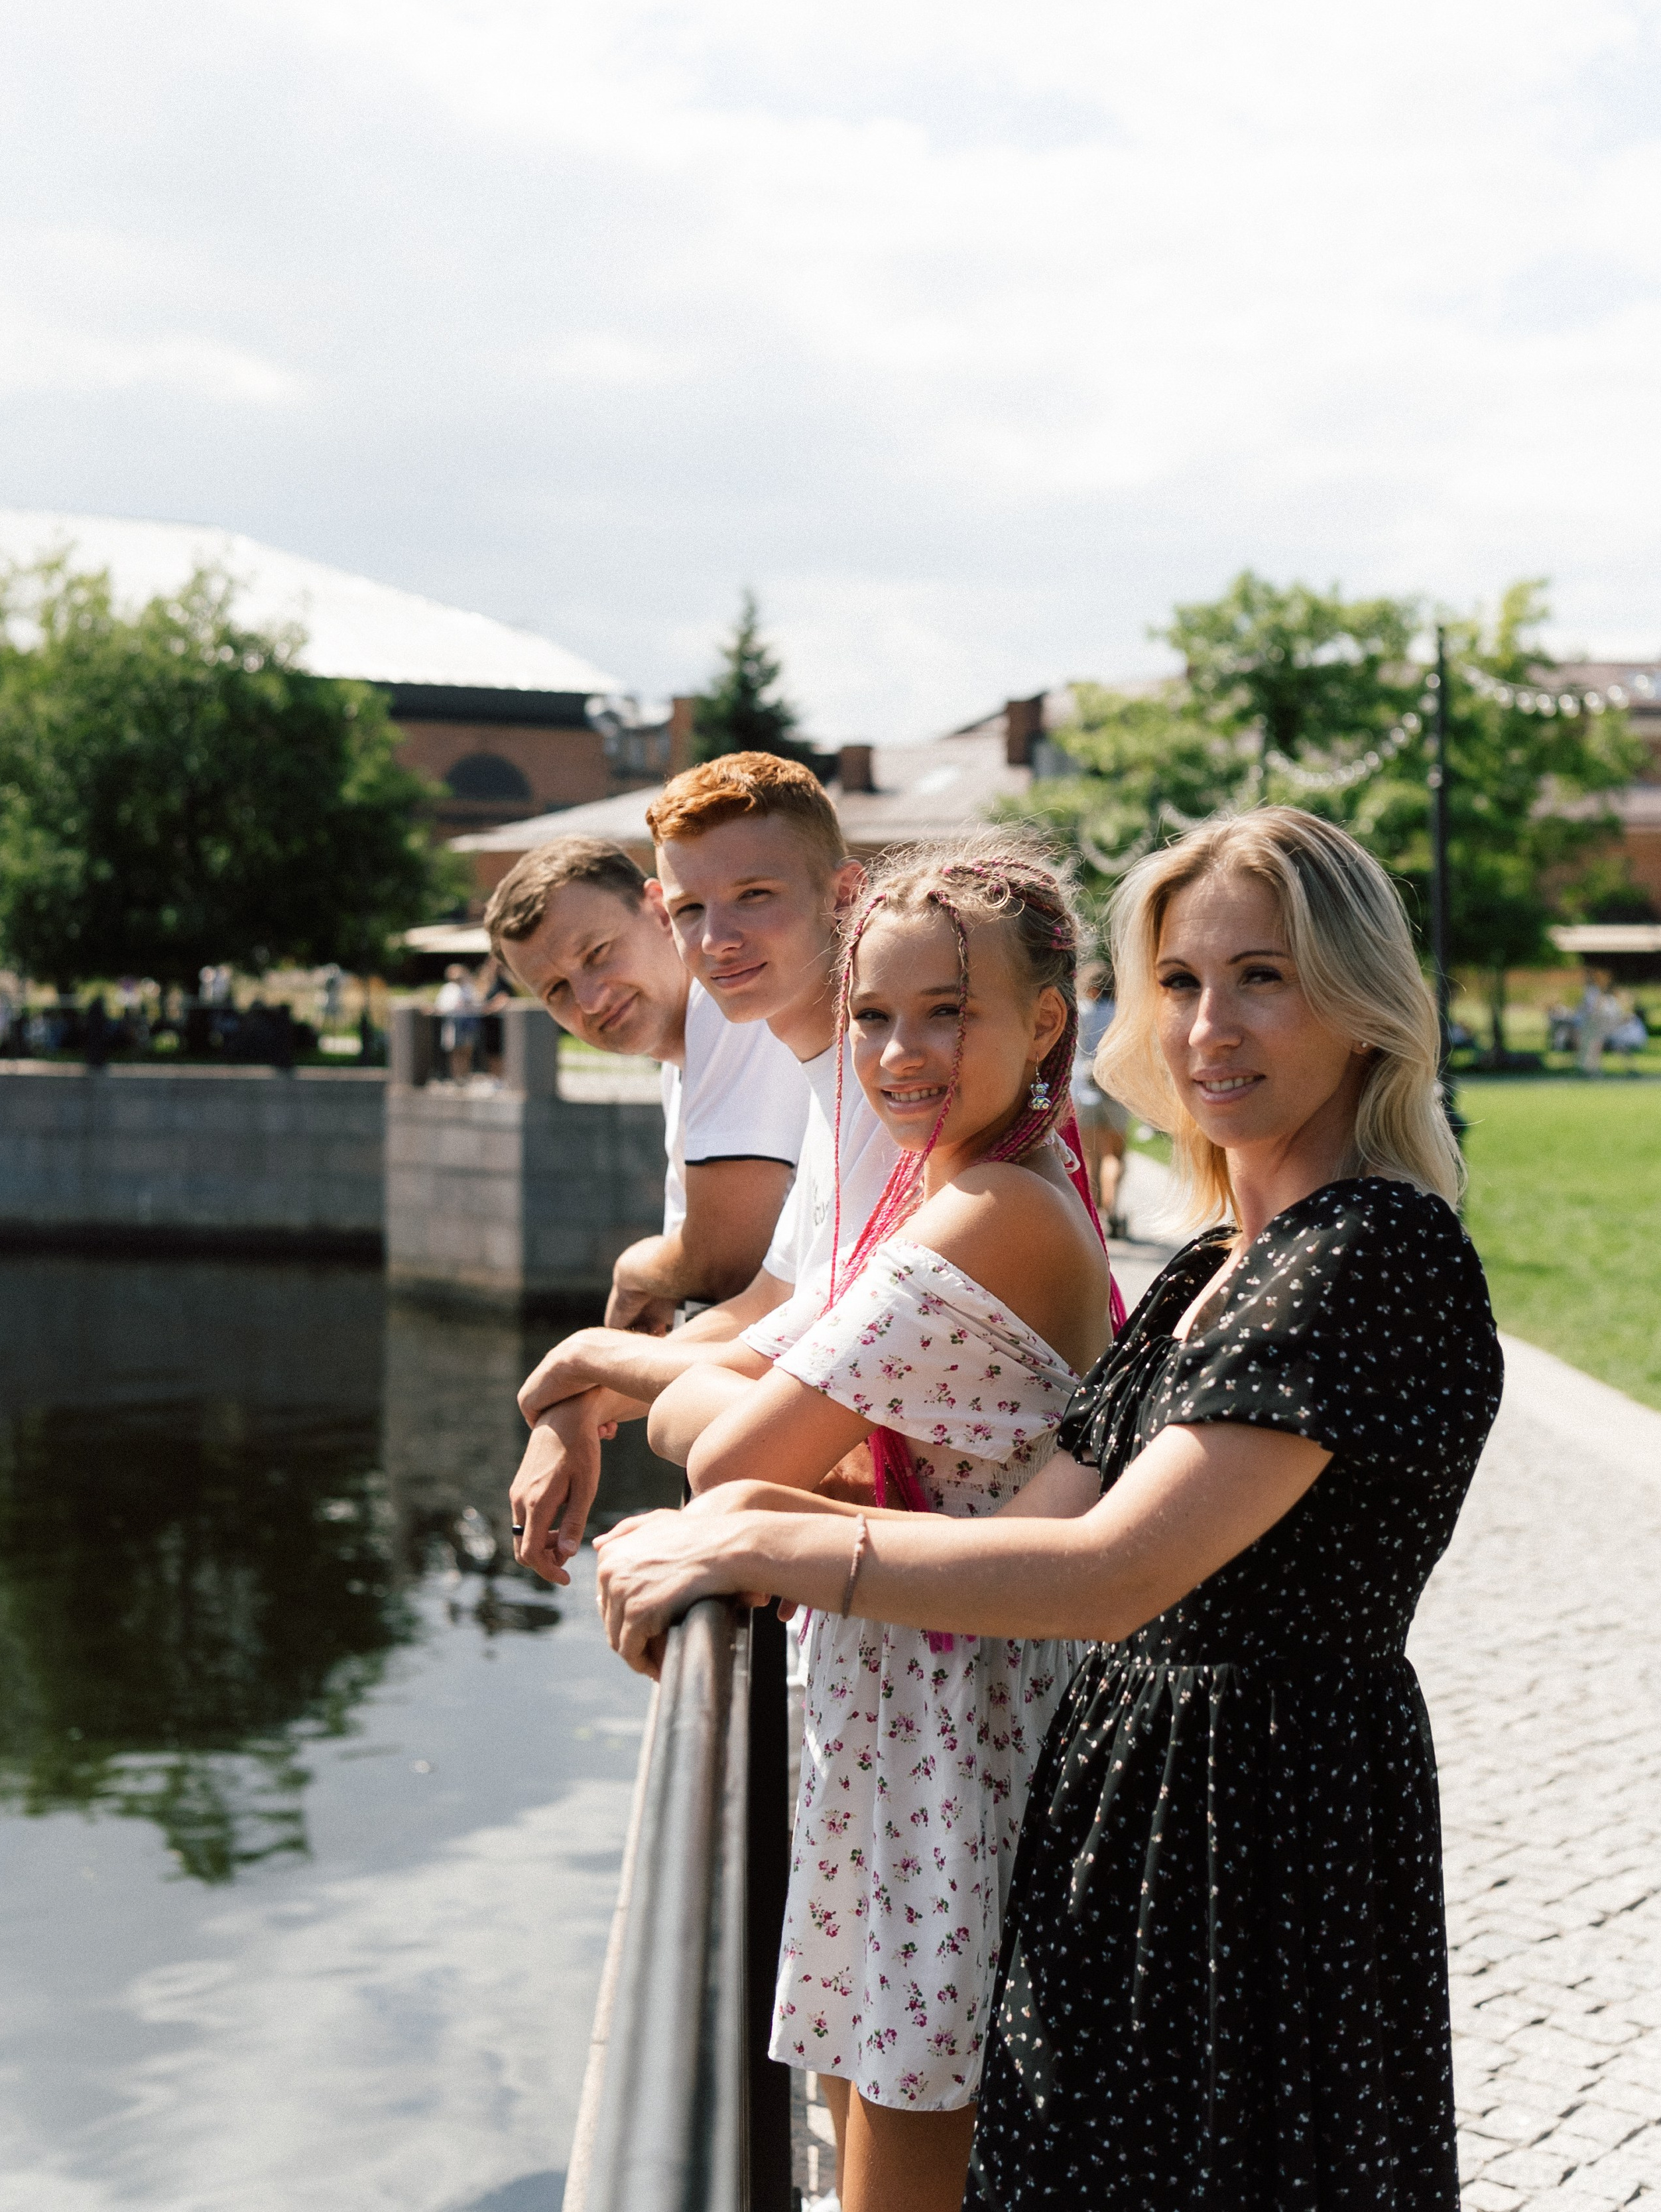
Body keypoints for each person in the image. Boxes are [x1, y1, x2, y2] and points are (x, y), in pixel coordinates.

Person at [595, 804, 1503, 2212]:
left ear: (1357, 997)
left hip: (1270, 1826)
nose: (1210, 1024)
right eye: (1182, 982)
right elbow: (1025, 1518)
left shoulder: (1368, 1251)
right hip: (1134, 1811)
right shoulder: (1220, 1254)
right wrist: (791, 1495)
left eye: (1260, 975)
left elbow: (1103, 1571)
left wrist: (758, 1533)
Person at [647, 840, 1110, 2212]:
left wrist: (669, 1406)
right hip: (901, 1710)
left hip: (948, 1734)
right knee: (862, 2109)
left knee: (907, 2134)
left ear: (1043, 1020)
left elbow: (726, 1456)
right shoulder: (955, 1176)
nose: (899, 1051)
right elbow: (780, 1398)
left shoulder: (979, 1212)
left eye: (945, 1011)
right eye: (871, 1014)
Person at [507, 755, 898, 1581]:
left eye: (755, 896)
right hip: (885, 1599)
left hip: (931, 1603)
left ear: (843, 896)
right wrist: (582, 1394)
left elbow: (774, 1372)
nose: (717, 939)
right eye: (693, 908)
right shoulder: (825, 1077)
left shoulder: (890, 1086)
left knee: (685, 1419)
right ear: (667, 909)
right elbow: (777, 1308)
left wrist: (592, 1361)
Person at [484, 833, 807, 1332]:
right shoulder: (681, 1060)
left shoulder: (727, 1010)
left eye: (597, 953)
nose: (589, 1000)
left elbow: (725, 1261)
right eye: (557, 990)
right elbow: (705, 1274)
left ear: (660, 912)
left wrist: (634, 1271)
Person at [1070, 959, 1129, 1235]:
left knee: (1090, 1158)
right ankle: (1113, 1210)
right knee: (1114, 1156)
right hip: (1116, 1092)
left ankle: (1093, 1218)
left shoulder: (1080, 1012)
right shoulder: (1122, 1015)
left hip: (1083, 1092)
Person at [434, 962, 479, 1079]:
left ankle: (465, 1075)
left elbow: (477, 1004)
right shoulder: (447, 989)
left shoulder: (469, 988)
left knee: (467, 1050)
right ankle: (457, 1076)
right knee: (454, 1050)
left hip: (468, 1023)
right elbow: (440, 1006)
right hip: (452, 1023)